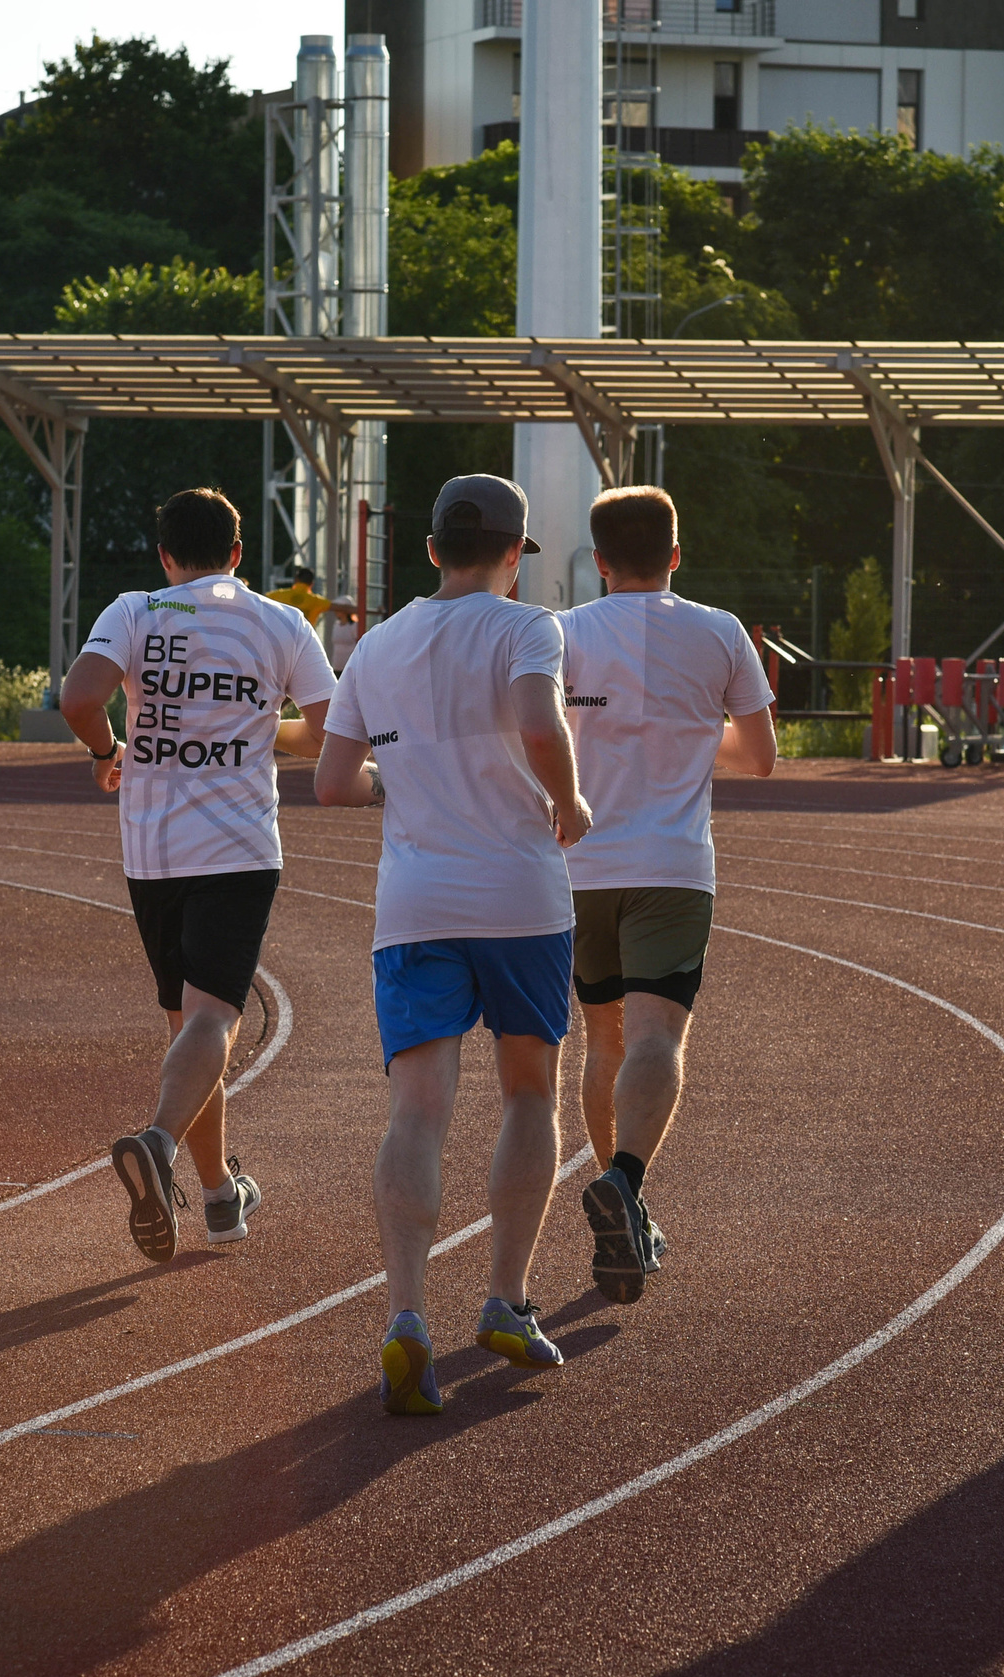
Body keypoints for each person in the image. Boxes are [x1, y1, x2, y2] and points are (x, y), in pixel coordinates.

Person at [315, 473, 592, 1415]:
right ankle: (508, 1298)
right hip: (519, 896)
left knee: (417, 1111)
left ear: (430, 548)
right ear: (515, 555)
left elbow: (329, 781)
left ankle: (403, 1316)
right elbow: (538, 719)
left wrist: (401, 793)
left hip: (415, 903)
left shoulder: (376, 644)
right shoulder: (528, 626)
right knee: (529, 1091)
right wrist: (568, 798)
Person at [61, 488, 337, 1262]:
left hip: (151, 851)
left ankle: (220, 1196)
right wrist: (251, 722)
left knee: (191, 1027)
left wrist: (105, 751)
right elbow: (326, 734)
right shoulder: (284, 623)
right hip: (238, 850)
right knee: (214, 1021)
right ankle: (156, 1142)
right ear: (240, 554)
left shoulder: (136, 608)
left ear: (165, 556)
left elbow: (78, 696)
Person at [557, 486, 778, 1304]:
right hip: (674, 867)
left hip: (580, 867)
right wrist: (689, 733)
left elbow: (534, 739)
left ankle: (622, 1196)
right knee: (660, 1039)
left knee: (601, 1039)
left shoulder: (564, 633)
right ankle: (625, 1182)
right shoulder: (721, 632)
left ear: (600, 562)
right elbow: (759, 756)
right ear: (677, 554)